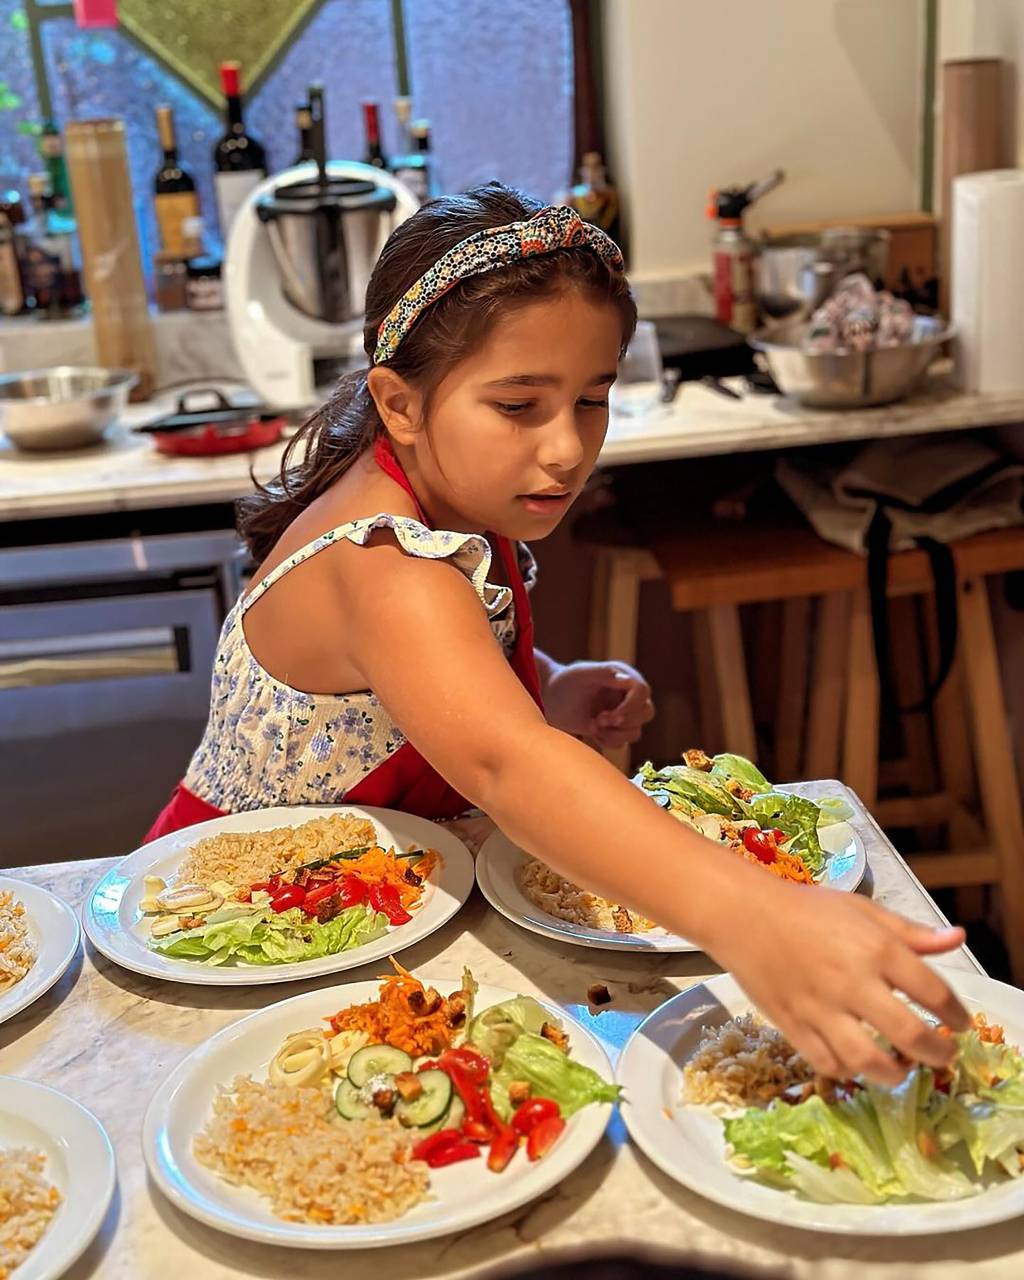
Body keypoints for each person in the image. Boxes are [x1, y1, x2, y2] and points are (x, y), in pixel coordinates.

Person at [146, 182, 968, 1081]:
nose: (568, 448)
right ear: (401, 404)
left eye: (592, 398)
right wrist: (755, 916)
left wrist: (546, 675)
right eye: (519, 405)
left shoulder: (443, 486)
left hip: (372, 908)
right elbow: (508, 763)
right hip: (247, 934)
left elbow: (415, 683)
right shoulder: (386, 564)